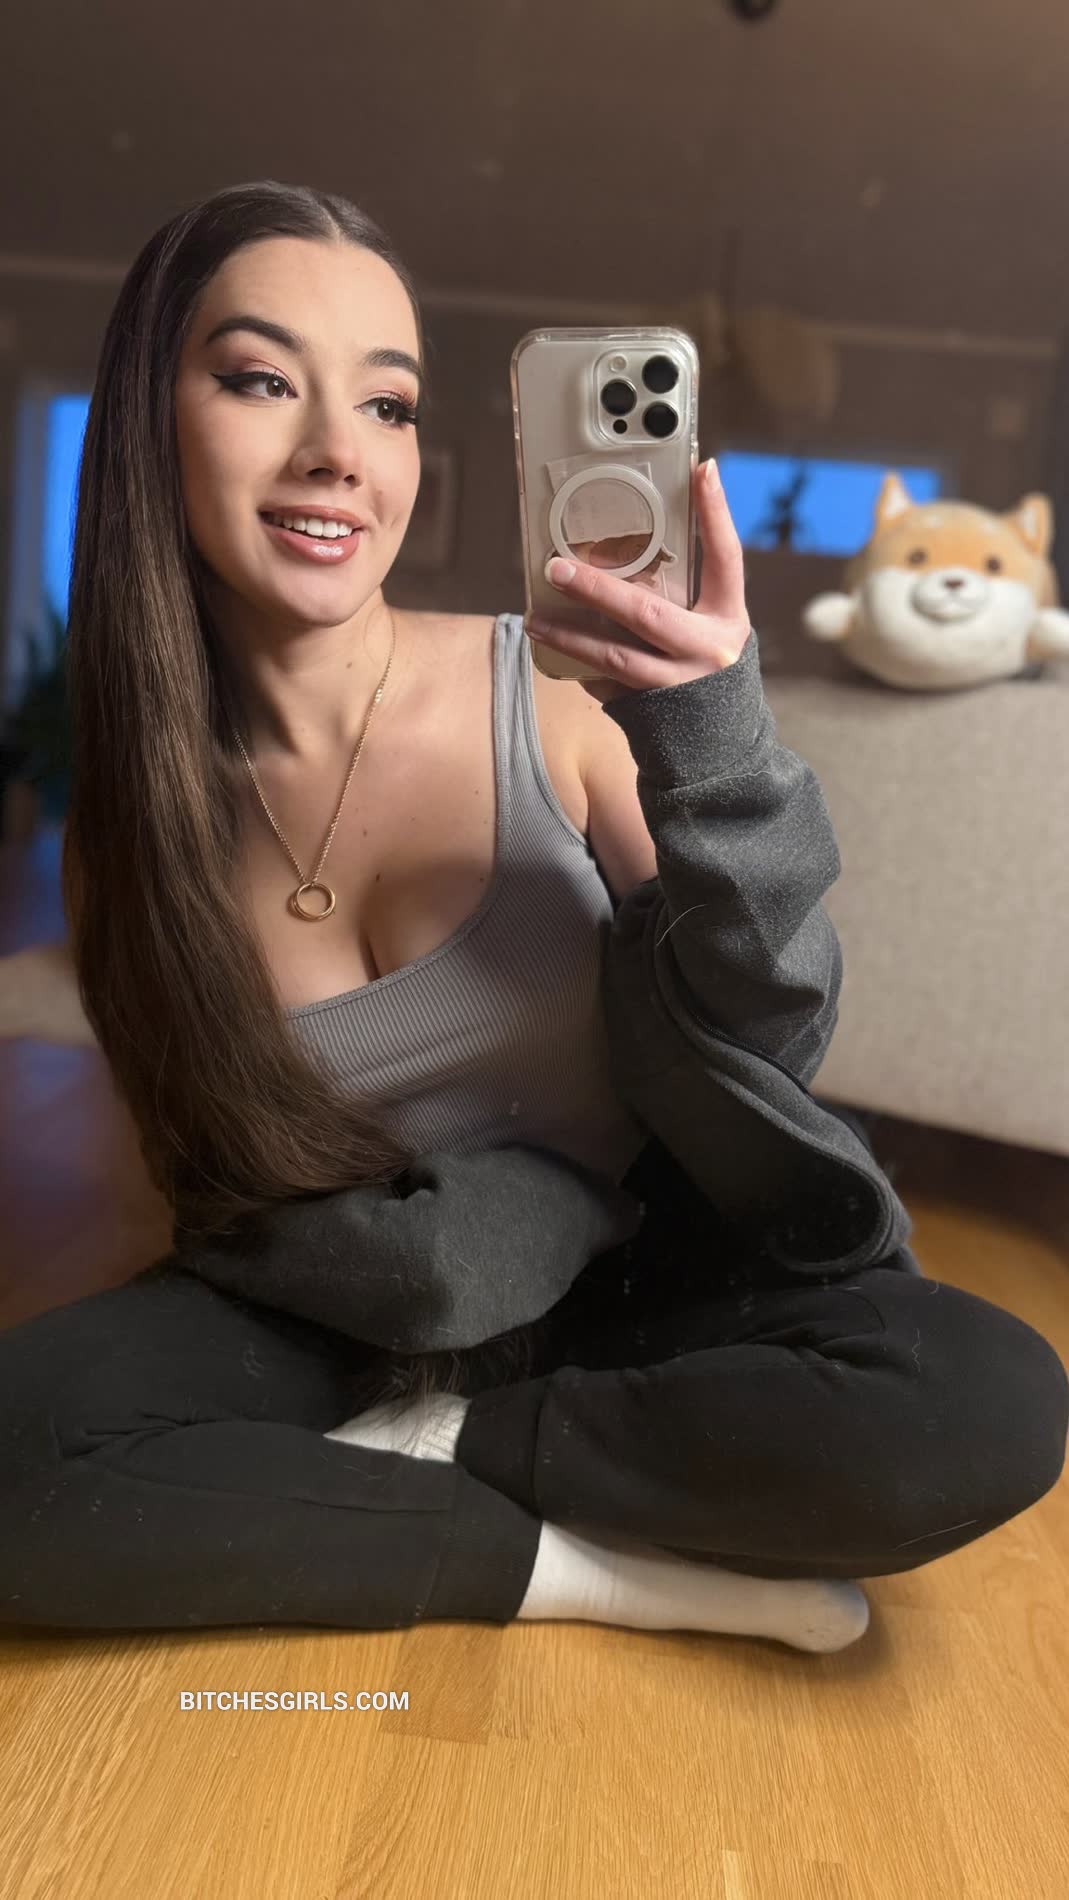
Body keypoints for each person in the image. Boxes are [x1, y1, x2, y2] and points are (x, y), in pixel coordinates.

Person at [1, 181, 1065, 1654]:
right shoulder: (134, 832)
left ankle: (433, 1461)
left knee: (986, 1399)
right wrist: (392, 1305)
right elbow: (221, 1202)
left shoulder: (551, 693)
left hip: (637, 1284)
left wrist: (709, 732)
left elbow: (773, 1027)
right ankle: (571, 1562)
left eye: (387, 404)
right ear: (147, 423)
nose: (337, 452)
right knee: (20, 1447)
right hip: (355, 1308)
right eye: (260, 380)